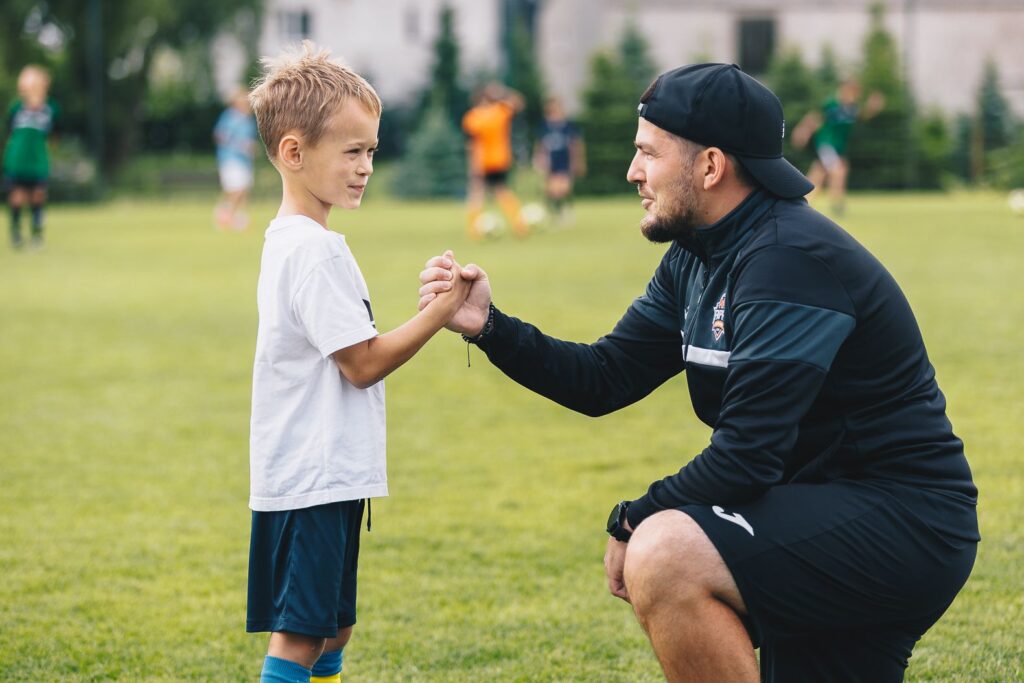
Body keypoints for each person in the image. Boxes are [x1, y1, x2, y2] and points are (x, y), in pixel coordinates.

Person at [418, 63, 978, 682]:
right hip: (816, 513)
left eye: (647, 154)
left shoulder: (787, 261)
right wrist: (491, 326)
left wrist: (634, 519)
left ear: (710, 166)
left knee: (665, 553)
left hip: (900, 523)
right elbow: (605, 376)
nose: (633, 172)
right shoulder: (698, 254)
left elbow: (747, 456)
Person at [246, 42, 469, 683]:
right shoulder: (309, 252)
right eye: (352, 151)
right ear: (294, 153)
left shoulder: (310, 244)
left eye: (370, 150)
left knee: (334, 624)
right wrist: (442, 311)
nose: (366, 166)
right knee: (301, 634)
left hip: (333, 475)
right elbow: (362, 364)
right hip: (310, 477)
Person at [792, 78, 885, 215]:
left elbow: (862, 116)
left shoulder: (852, 108)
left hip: (838, 147)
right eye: (852, 92)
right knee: (839, 170)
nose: (854, 96)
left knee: (818, 176)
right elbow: (814, 117)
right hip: (826, 144)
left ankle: (801, 203)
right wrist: (803, 131)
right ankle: (837, 204)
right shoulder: (831, 104)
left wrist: (872, 108)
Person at [462, 82, 529, 239]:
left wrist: (473, 166)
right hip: (500, 160)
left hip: (482, 161)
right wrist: (504, 91)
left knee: (476, 194)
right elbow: (520, 102)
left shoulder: (472, 118)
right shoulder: (500, 111)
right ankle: (519, 225)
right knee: (502, 192)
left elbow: (472, 145)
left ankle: (474, 230)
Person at [3, 64, 59, 250]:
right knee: (17, 197)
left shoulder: (50, 109)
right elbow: (9, 133)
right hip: (17, 161)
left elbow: (54, 136)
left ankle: (36, 234)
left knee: (38, 196)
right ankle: (16, 234)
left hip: (38, 162)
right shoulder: (17, 108)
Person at [533, 96, 586, 226]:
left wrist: (578, 161)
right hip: (551, 162)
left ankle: (567, 212)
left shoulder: (568, 125)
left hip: (565, 161)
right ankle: (554, 215)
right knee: (551, 190)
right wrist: (539, 158)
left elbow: (576, 143)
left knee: (563, 189)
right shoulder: (544, 126)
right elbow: (540, 144)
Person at [213, 88, 258, 230]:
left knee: (243, 190)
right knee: (236, 188)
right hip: (230, 158)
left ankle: (233, 215)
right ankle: (226, 215)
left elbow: (249, 140)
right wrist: (238, 145)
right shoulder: (229, 117)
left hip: (245, 160)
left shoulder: (248, 121)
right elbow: (220, 136)